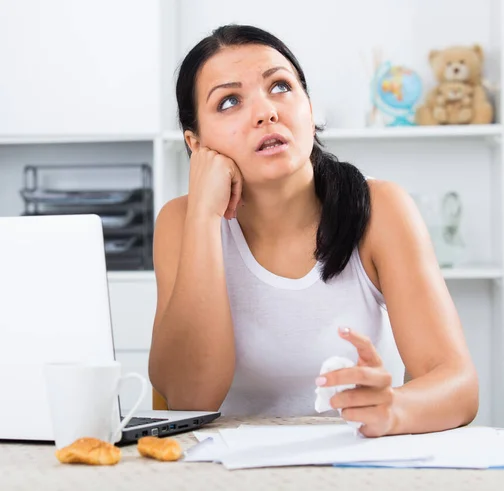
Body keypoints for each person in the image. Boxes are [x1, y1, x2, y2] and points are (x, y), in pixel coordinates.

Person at [148, 24, 478, 438]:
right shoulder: (181, 221)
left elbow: (458, 384)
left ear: (309, 108)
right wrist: (203, 215)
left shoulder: (380, 208)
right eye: (229, 101)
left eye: (281, 87)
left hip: (354, 466)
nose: (266, 111)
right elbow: (188, 398)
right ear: (195, 144)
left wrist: (394, 409)